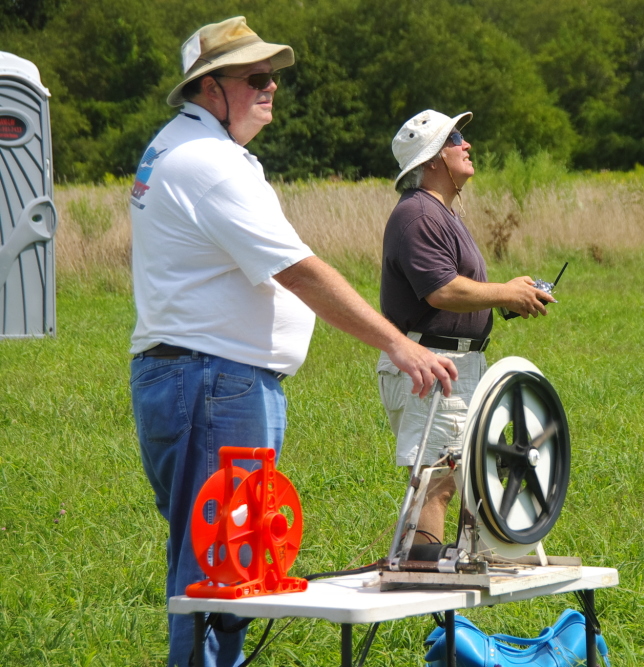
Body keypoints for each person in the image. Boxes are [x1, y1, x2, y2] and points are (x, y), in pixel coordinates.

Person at [128, 18, 456, 667]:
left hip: (207, 379)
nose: (271, 86)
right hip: (214, 383)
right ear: (210, 87)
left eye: (272, 74)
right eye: (255, 77)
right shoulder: (208, 163)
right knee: (216, 569)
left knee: (228, 563)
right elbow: (300, 270)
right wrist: (401, 345)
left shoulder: (183, 149)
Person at [377, 109, 554, 549]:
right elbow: (441, 292)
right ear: (433, 158)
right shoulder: (418, 215)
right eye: (455, 137)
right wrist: (505, 294)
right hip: (431, 362)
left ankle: (453, 588)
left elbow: (459, 289)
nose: (466, 144)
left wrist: (512, 293)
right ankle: (424, 588)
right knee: (438, 480)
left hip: (456, 362)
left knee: (465, 478)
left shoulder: (443, 213)